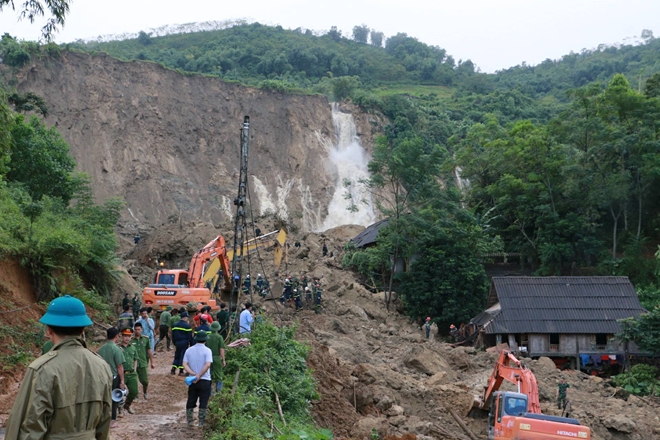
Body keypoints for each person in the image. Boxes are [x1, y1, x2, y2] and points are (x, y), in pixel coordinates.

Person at [5, 295, 113, 438]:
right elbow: (105, 421)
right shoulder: (102, 366)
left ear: (48, 330)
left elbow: (30, 426)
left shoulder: (41, 369)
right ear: (83, 330)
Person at [183, 331, 213, 427]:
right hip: (205, 380)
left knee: (191, 399)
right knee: (203, 401)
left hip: (193, 380)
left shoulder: (189, 350)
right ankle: (201, 422)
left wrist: (193, 374)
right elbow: (208, 364)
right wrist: (199, 375)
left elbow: (184, 364)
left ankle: (190, 421)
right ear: (205, 340)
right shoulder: (207, 351)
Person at [98, 327, 125, 427]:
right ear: (116, 336)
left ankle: (102, 418)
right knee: (114, 399)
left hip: (102, 377)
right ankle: (112, 420)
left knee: (103, 398)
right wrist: (122, 380)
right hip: (113, 377)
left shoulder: (101, 349)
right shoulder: (116, 349)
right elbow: (119, 366)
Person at [132, 322, 155, 400]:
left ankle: (145, 392)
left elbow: (149, 351)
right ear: (134, 330)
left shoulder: (145, 339)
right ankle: (135, 395)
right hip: (133, 364)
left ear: (142, 330)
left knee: (145, 381)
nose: (137, 331)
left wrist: (152, 362)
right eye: (136, 329)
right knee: (134, 381)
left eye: (139, 329)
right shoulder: (130, 340)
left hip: (143, 363)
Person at [119, 328, 138, 415]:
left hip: (131, 373)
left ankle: (127, 405)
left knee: (134, 391)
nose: (127, 338)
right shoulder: (117, 348)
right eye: (125, 336)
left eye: (129, 336)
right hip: (121, 373)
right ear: (122, 337)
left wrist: (134, 369)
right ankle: (120, 409)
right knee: (119, 392)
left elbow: (135, 359)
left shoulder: (133, 348)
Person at [207, 322, 227, 394]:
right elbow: (221, 349)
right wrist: (223, 359)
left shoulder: (207, 336)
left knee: (209, 374)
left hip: (208, 358)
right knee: (219, 374)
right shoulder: (219, 337)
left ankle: (210, 391)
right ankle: (219, 391)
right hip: (216, 357)